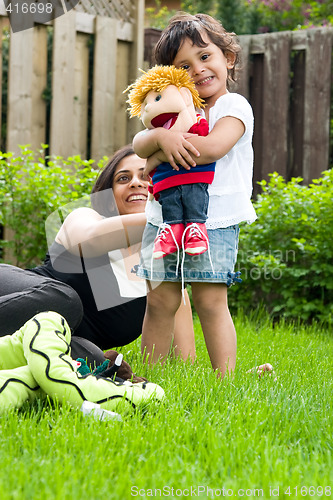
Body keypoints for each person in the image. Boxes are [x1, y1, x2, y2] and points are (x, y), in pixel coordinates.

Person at [132, 13, 257, 378]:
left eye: (205, 56)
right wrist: (158, 138)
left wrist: (159, 151)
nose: (199, 70)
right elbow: (139, 143)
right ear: (172, 76)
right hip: (164, 220)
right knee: (160, 298)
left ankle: (224, 383)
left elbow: (211, 148)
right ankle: (146, 378)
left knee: (210, 299)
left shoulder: (233, 107)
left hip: (213, 220)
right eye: (184, 65)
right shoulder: (167, 111)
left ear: (227, 58)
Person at [0, 145, 195, 366]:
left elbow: (185, 363)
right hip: (12, 292)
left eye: (147, 175)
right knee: (66, 300)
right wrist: (175, 217)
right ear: (110, 198)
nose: (136, 182)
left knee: (96, 358)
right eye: (123, 178)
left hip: (49, 337)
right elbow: (91, 240)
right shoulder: (85, 218)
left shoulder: (166, 277)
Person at [126, 64, 215, 259]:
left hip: (194, 179)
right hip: (166, 186)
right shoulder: (151, 134)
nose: (149, 107)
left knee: (194, 202)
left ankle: (195, 228)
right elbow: (138, 146)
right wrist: (159, 136)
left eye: (157, 98)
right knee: (171, 206)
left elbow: (205, 148)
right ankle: (172, 232)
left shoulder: (200, 121)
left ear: (184, 95)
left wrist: (157, 156)